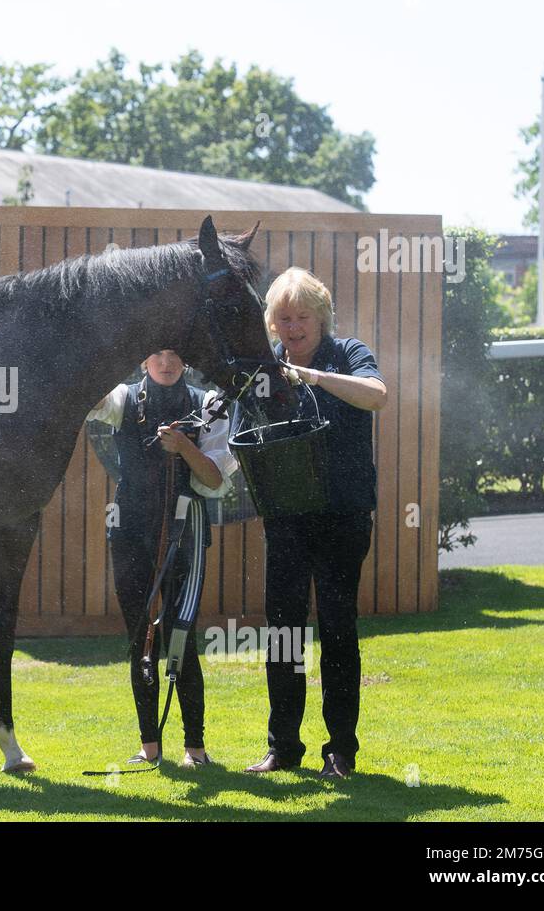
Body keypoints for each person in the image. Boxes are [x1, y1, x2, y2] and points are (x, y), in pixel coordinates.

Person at [242, 267, 388, 779]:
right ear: (272, 324)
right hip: (285, 516)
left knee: (337, 629)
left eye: (302, 316)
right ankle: (282, 748)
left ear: (321, 317)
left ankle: (340, 752)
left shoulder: (348, 353)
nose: (294, 326)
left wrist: (316, 378)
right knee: (282, 633)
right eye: (283, 318)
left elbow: (377, 394)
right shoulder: (265, 367)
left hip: (343, 514)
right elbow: (245, 433)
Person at [88, 350, 238, 767]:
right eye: (156, 354)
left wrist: (185, 448)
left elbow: (214, 480)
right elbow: (88, 399)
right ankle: (149, 748)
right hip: (130, 535)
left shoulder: (208, 404)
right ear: (142, 360)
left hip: (185, 536)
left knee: (179, 638)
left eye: (174, 355)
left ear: (186, 361)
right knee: (141, 639)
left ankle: (196, 750)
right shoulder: (122, 399)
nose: (166, 362)